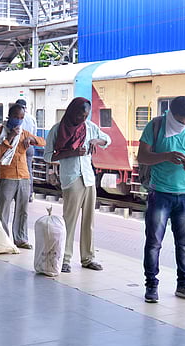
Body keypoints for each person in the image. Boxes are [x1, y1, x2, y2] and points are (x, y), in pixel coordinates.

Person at [137, 96, 185, 303]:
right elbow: (142, 156)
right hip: (160, 193)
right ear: (171, 113)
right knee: (154, 242)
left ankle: (184, 285)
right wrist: (166, 156)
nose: (184, 123)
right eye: (180, 120)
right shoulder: (155, 125)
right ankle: (151, 285)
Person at [43, 97, 110, 273]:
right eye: (80, 115)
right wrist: (71, 152)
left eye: (86, 115)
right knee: (69, 221)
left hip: (88, 178)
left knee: (89, 221)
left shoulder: (90, 127)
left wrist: (97, 141)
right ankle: (64, 259)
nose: (82, 119)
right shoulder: (58, 129)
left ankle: (88, 258)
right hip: (71, 178)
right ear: (72, 112)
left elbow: (107, 140)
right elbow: (48, 156)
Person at [0, 104, 46, 249]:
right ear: (9, 116)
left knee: (22, 210)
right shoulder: (0, 132)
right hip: (8, 175)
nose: (18, 120)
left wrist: (32, 141)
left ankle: (21, 239)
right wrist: (9, 138)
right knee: (4, 209)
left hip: (23, 176)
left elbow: (42, 142)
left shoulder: (24, 133)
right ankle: (3, 239)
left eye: (21, 118)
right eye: (16, 117)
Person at [15, 99, 38, 202]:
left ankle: (18, 194)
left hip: (20, 146)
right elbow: (34, 134)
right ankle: (29, 194)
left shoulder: (18, 118)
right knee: (29, 170)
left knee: (18, 170)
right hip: (30, 147)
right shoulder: (32, 118)